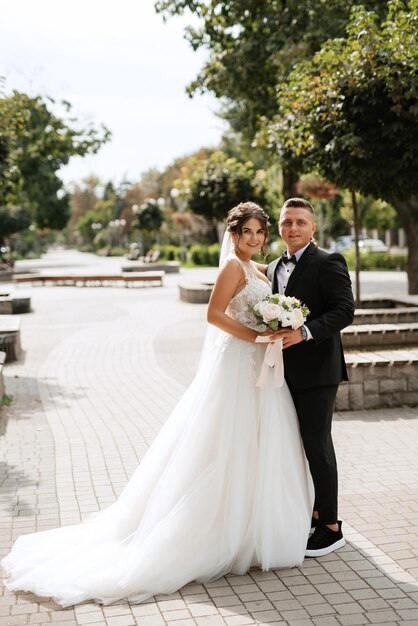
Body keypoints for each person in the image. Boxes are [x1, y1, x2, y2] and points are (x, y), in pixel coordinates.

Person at [2, 202, 313, 608]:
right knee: (225, 443)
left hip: (261, 369)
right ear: (233, 235)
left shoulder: (258, 270)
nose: (253, 238)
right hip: (236, 365)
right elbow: (214, 315)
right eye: (246, 232)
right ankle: (216, 533)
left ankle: (255, 531)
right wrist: (254, 336)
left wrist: (277, 326)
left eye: (259, 232)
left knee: (261, 442)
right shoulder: (232, 268)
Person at [266, 197, 355, 557]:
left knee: (317, 445)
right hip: (284, 372)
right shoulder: (274, 266)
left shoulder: (328, 261)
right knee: (298, 445)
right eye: (287, 222)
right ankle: (315, 512)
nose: (293, 228)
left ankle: (331, 527)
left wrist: (304, 332)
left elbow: (344, 311)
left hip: (319, 370)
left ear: (313, 227)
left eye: (301, 222)